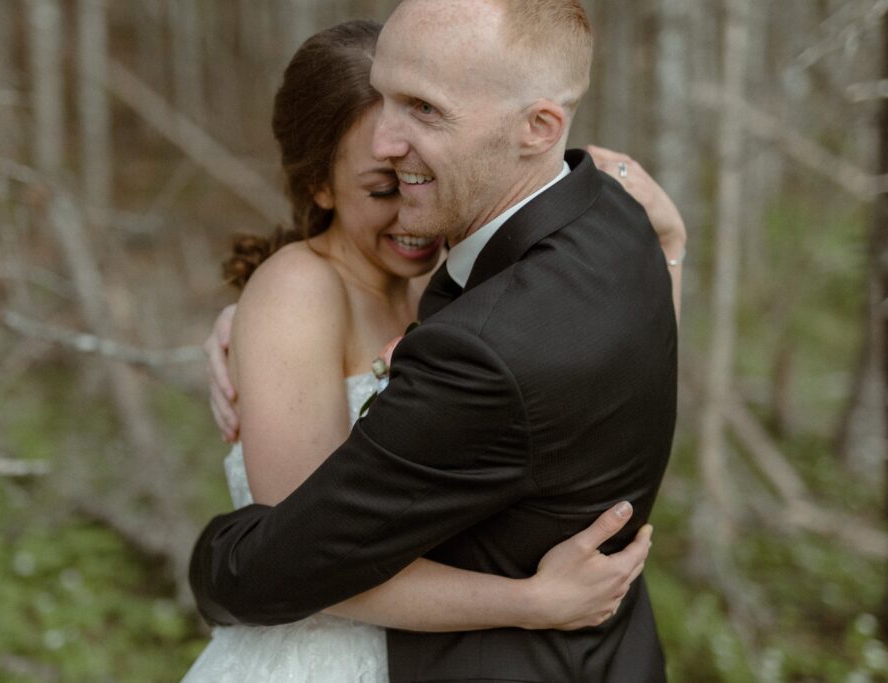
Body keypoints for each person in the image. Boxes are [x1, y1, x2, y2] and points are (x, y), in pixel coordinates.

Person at [191, 1, 684, 679]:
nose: (409, 209)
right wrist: (528, 600)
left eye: (422, 115)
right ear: (319, 186)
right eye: (380, 187)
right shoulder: (314, 292)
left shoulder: (468, 284)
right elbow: (303, 559)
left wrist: (674, 244)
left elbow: (273, 559)